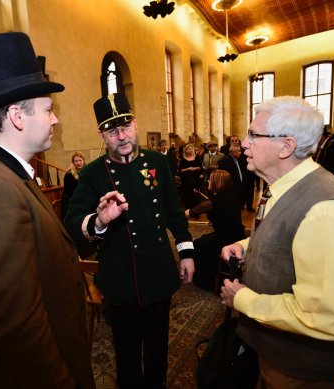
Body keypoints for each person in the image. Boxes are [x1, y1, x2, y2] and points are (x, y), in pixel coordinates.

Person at [0, 32, 94, 388]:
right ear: (17, 116)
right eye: (48, 109)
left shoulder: (9, 173)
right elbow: (19, 328)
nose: (55, 119)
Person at [220, 96, 334, 388]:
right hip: (275, 355)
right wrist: (245, 245)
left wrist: (242, 299)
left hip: (299, 371)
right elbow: (289, 233)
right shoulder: (284, 187)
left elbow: (329, 318)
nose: (244, 144)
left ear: (285, 146)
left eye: (253, 135)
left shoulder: (327, 211)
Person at [65, 92, 195, 389]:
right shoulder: (92, 173)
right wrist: (99, 221)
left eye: (125, 127)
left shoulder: (157, 162)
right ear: (102, 134)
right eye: (112, 131)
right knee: (126, 354)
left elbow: (174, 212)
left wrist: (186, 252)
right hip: (120, 280)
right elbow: (72, 223)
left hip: (159, 273)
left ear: (135, 125)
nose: (121, 136)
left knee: (158, 349)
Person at [185, 170, 245, 291]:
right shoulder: (232, 196)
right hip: (237, 235)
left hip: (226, 239)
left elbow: (190, 212)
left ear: (216, 182)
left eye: (211, 179)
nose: (208, 181)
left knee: (197, 244)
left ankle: (205, 281)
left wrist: (186, 213)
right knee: (203, 240)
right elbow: (226, 214)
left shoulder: (213, 202)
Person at [218, 144, 254, 211]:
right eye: (239, 151)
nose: (241, 153)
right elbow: (224, 177)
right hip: (231, 189)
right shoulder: (225, 160)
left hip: (236, 189)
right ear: (234, 152)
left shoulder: (235, 159)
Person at [177, 142, 203, 210]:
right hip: (186, 179)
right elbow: (180, 171)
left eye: (191, 148)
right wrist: (188, 169)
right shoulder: (183, 159)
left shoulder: (196, 157)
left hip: (195, 178)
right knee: (188, 193)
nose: (190, 150)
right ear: (185, 150)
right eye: (188, 149)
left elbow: (200, 167)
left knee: (195, 193)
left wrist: (195, 168)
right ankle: (188, 208)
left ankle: (196, 209)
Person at [61, 152, 86, 219]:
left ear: (84, 161)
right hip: (72, 202)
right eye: (76, 161)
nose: (78, 163)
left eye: (80, 160)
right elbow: (71, 192)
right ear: (73, 162)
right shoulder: (69, 174)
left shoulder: (87, 171)